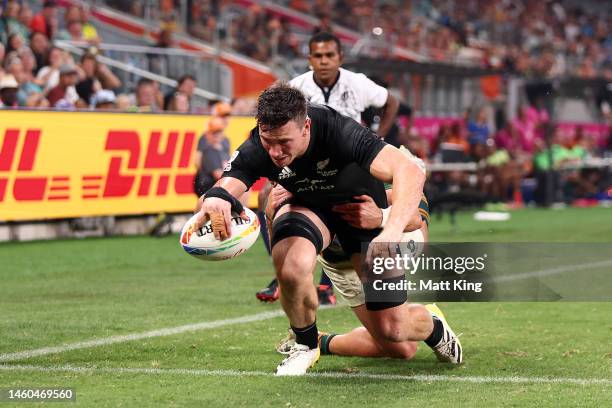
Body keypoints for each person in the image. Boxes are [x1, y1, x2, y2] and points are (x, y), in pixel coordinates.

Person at [193, 83, 462, 375]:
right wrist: (216, 200)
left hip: (363, 231)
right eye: (268, 142)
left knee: (395, 336)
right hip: (317, 222)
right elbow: (227, 186)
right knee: (292, 264)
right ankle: (305, 344)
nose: (275, 152)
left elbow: (410, 172)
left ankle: (433, 327)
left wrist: (389, 228)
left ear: (306, 126)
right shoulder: (261, 142)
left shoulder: (339, 131)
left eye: (284, 142)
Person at [255, 31, 400, 303]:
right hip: (304, 163)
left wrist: (380, 135)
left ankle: (327, 282)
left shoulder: (357, 83)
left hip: (350, 163)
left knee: (350, 210)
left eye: (329, 55)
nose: (324, 61)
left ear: (340, 58)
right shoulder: (295, 87)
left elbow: (391, 101)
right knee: (267, 197)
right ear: (309, 59)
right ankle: (283, 269)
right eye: (318, 56)